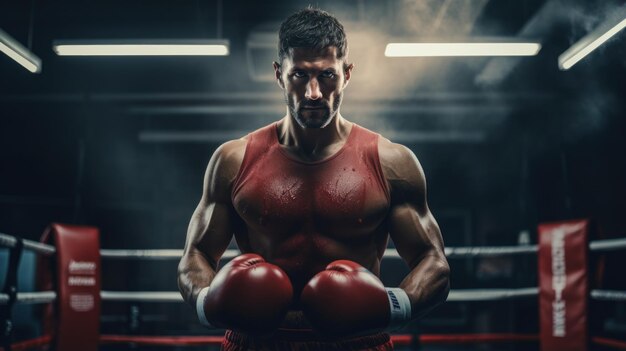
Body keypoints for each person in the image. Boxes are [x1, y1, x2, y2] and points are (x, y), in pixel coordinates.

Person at [178, 7, 450, 350]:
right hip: (259, 342)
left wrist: (390, 306)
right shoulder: (234, 159)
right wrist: (209, 301)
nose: (313, 93)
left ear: (347, 74)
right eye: (299, 75)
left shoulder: (392, 162)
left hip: (357, 341)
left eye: (326, 75)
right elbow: (195, 256)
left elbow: (434, 263)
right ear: (279, 74)